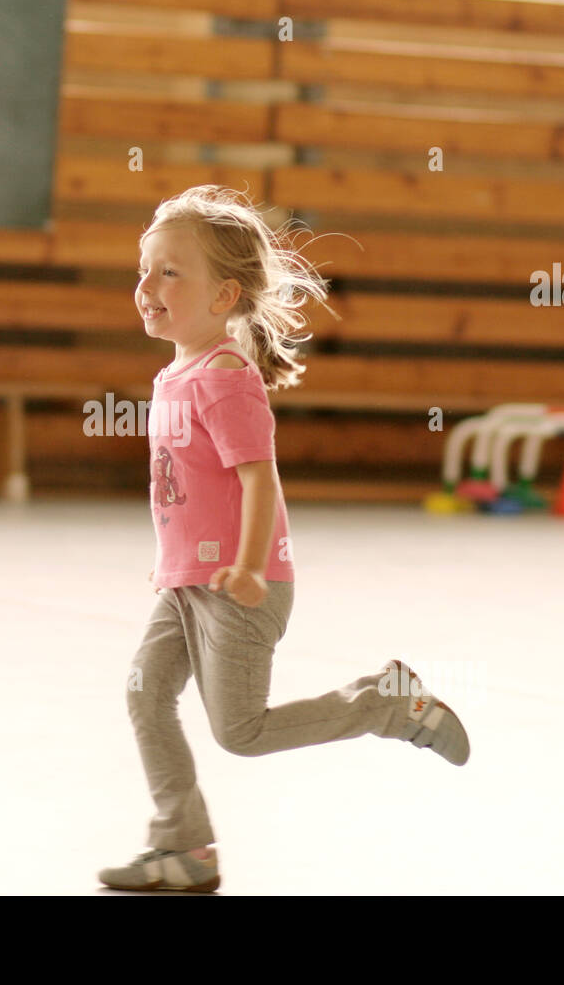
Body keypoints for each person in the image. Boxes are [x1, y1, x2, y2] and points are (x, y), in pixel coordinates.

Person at [98, 186, 470, 894]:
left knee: (240, 732)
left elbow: (260, 481)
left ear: (223, 295)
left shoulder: (228, 380)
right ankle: (184, 848)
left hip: (242, 585)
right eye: (144, 269)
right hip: (186, 587)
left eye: (170, 272)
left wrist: (244, 568)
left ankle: (386, 704)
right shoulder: (173, 375)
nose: (147, 287)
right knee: (145, 695)